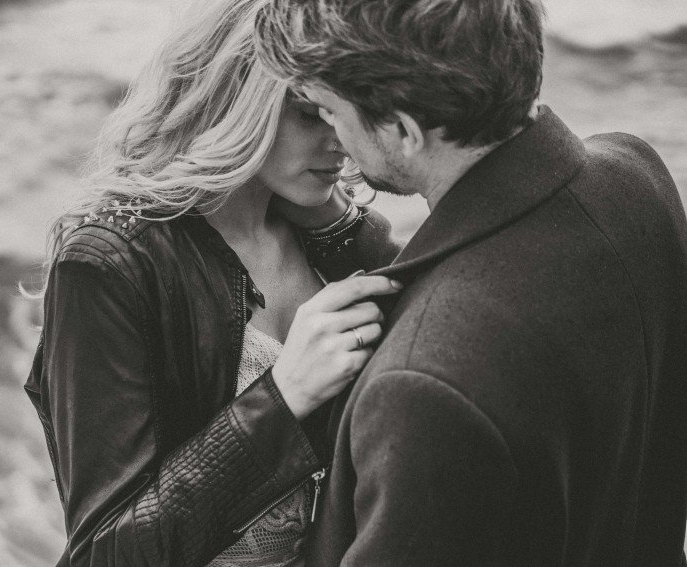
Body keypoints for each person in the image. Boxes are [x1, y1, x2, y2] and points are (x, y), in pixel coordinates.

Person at [255, 0, 687, 565]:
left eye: (330, 112)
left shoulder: (420, 386)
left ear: (405, 130)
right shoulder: (635, 180)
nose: (333, 136)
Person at [23, 0, 402, 565]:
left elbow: (434, 336)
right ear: (235, 101)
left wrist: (345, 226)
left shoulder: (314, 224)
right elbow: (105, 551)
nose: (341, 142)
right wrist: (283, 398)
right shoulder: (109, 262)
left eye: (345, 113)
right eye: (309, 114)